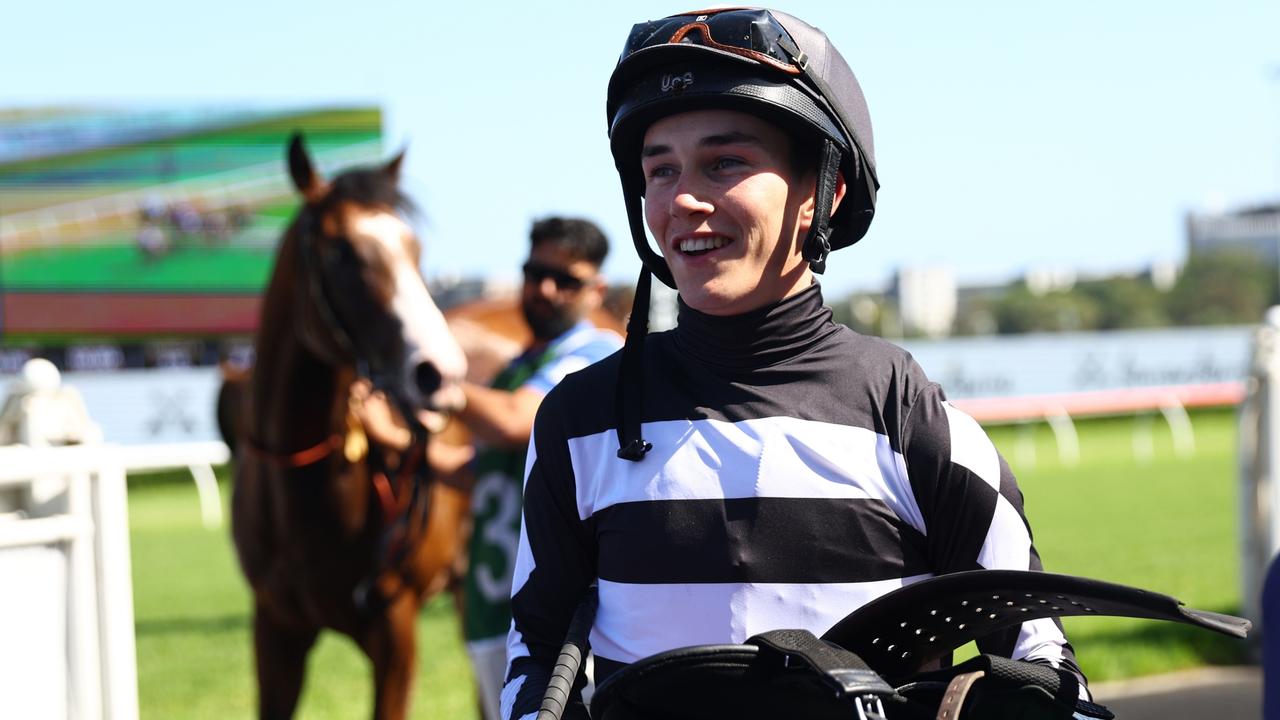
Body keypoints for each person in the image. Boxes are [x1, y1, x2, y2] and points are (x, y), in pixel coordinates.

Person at [500, 9, 1086, 719]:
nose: (684, 198)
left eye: (725, 163)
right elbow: (532, 659)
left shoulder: (910, 416)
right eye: (661, 169)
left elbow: (1042, 664)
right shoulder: (576, 421)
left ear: (824, 192)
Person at [456, 217, 622, 720]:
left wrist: (434, 382)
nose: (545, 289)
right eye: (535, 273)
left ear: (595, 291)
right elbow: (475, 471)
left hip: (554, 618)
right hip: (494, 608)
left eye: (566, 280)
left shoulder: (596, 354)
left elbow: (512, 423)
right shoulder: (517, 366)